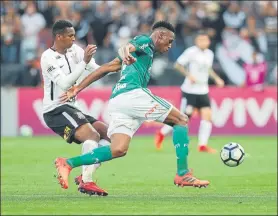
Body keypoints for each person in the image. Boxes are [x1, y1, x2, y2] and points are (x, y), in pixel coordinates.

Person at [55, 21, 210, 191]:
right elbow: (126, 48)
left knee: (118, 149)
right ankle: (183, 173)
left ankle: (68, 163)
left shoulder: (145, 55)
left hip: (117, 100)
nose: (170, 46)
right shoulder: (145, 41)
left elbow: (106, 67)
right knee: (181, 120)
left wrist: (77, 88)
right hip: (133, 94)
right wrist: (126, 52)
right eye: (170, 41)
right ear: (160, 36)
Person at [40, 20, 111, 196]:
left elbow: (96, 70)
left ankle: (85, 176)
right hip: (55, 110)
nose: (74, 38)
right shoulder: (47, 57)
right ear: (59, 37)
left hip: (72, 107)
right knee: (92, 135)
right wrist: (83, 62)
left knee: (110, 135)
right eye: (70, 35)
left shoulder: (76, 51)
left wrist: (121, 65)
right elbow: (64, 83)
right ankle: (87, 181)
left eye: (74, 35)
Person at [155, 31, 225, 153]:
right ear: (197, 41)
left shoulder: (209, 53)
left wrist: (217, 78)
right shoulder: (191, 52)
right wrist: (189, 75)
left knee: (207, 116)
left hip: (203, 90)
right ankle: (161, 133)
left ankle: (202, 145)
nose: (204, 42)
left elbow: (208, 69)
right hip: (190, 91)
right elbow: (178, 65)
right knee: (183, 119)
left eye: (206, 40)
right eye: (201, 40)